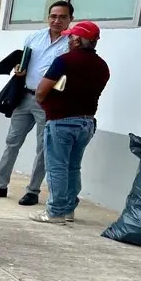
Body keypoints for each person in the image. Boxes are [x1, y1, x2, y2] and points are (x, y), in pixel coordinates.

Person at [0, 0, 74, 206]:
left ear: (70, 19)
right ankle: (0, 185)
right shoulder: (35, 37)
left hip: (50, 101)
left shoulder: (71, 43)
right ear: (48, 17)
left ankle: (32, 191)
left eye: (62, 17)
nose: (57, 20)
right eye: (53, 16)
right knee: (12, 142)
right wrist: (18, 69)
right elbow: (25, 61)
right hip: (25, 97)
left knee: (44, 147)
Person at [31, 21, 110, 224]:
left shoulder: (64, 61)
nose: (68, 40)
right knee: (73, 167)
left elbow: (40, 91)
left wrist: (45, 104)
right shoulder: (102, 66)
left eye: (70, 37)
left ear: (76, 40)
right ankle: (68, 209)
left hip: (61, 121)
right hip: (87, 122)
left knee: (57, 167)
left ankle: (55, 212)